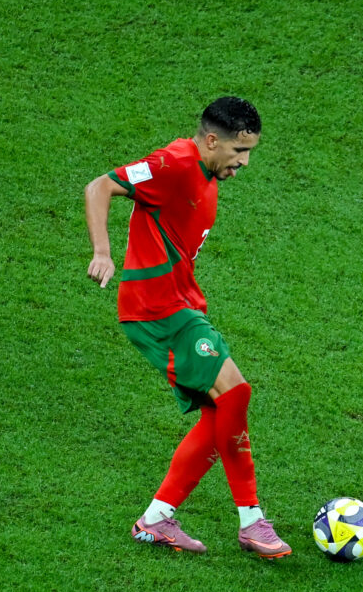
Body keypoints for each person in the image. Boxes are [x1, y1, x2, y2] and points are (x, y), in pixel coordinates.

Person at [84, 96, 291, 558]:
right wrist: (102, 252)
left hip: (180, 304)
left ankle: (156, 520)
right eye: (239, 151)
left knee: (221, 411)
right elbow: (100, 186)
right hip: (155, 308)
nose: (244, 162)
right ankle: (252, 522)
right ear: (212, 141)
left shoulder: (206, 172)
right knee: (235, 392)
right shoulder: (173, 164)